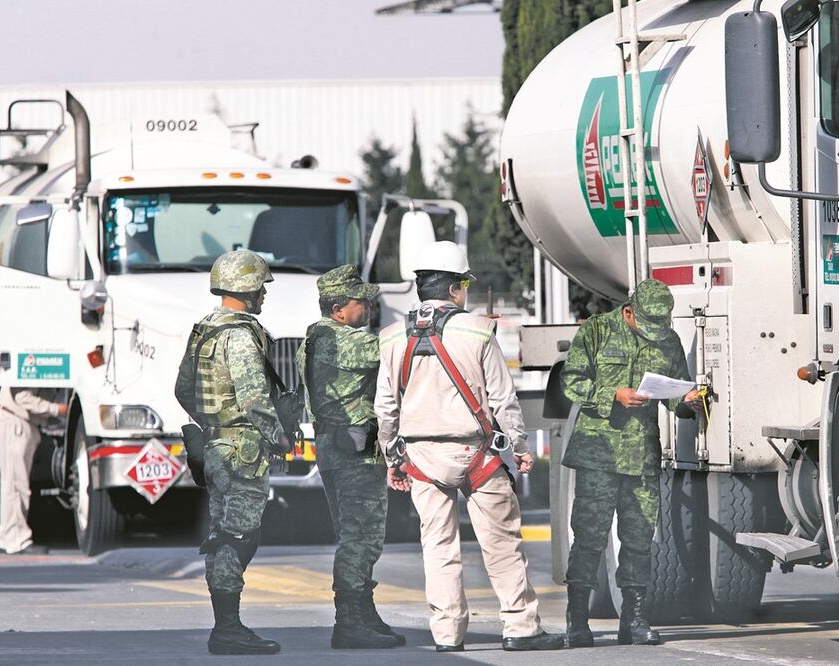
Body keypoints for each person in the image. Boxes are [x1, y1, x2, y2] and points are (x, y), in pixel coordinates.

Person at [374, 240, 563, 653]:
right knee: (501, 543)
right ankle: (521, 628)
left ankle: (446, 635)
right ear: (456, 289)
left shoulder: (389, 338)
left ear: (421, 287)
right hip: (478, 454)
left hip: (421, 458)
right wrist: (516, 447)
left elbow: (385, 409)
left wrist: (393, 457)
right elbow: (502, 399)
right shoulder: (478, 330)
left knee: (438, 548)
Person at [561, 278, 702, 648]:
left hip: (641, 457)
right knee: (590, 539)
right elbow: (571, 381)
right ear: (631, 309)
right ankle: (577, 621)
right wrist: (613, 395)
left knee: (639, 540)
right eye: (648, 322)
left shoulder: (667, 341)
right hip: (599, 456)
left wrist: (687, 401)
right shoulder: (597, 331)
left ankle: (635, 619)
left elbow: (673, 396)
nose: (655, 331)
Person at [174, 249, 291, 656]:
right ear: (246, 287)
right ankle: (228, 628)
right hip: (242, 449)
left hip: (214, 445)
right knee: (238, 535)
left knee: (223, 532)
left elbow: (182, 389)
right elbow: (255, 397)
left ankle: (227, 624)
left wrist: (213, 422)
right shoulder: (241, 334)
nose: (264, 294)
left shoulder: (204, 329)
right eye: (261, 286)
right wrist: (279, 437)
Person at [295, 264, 403, 650]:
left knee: (356, 535)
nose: (370, 307)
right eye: (363, 302)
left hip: (336, 447)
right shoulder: (343, 341)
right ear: (339, 308)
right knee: (361, 538)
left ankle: (363, 612)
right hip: (353, 452)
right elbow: (395, 349)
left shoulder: (314, 338)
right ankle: (349, 622)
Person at [0, 387, 67, 555]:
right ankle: (17, 539)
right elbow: (22, 397)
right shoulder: (29, 364)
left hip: (15, 420)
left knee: (11, 484)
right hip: (16, 420)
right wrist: (57, 409)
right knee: (16, 486)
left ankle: (9, 535)